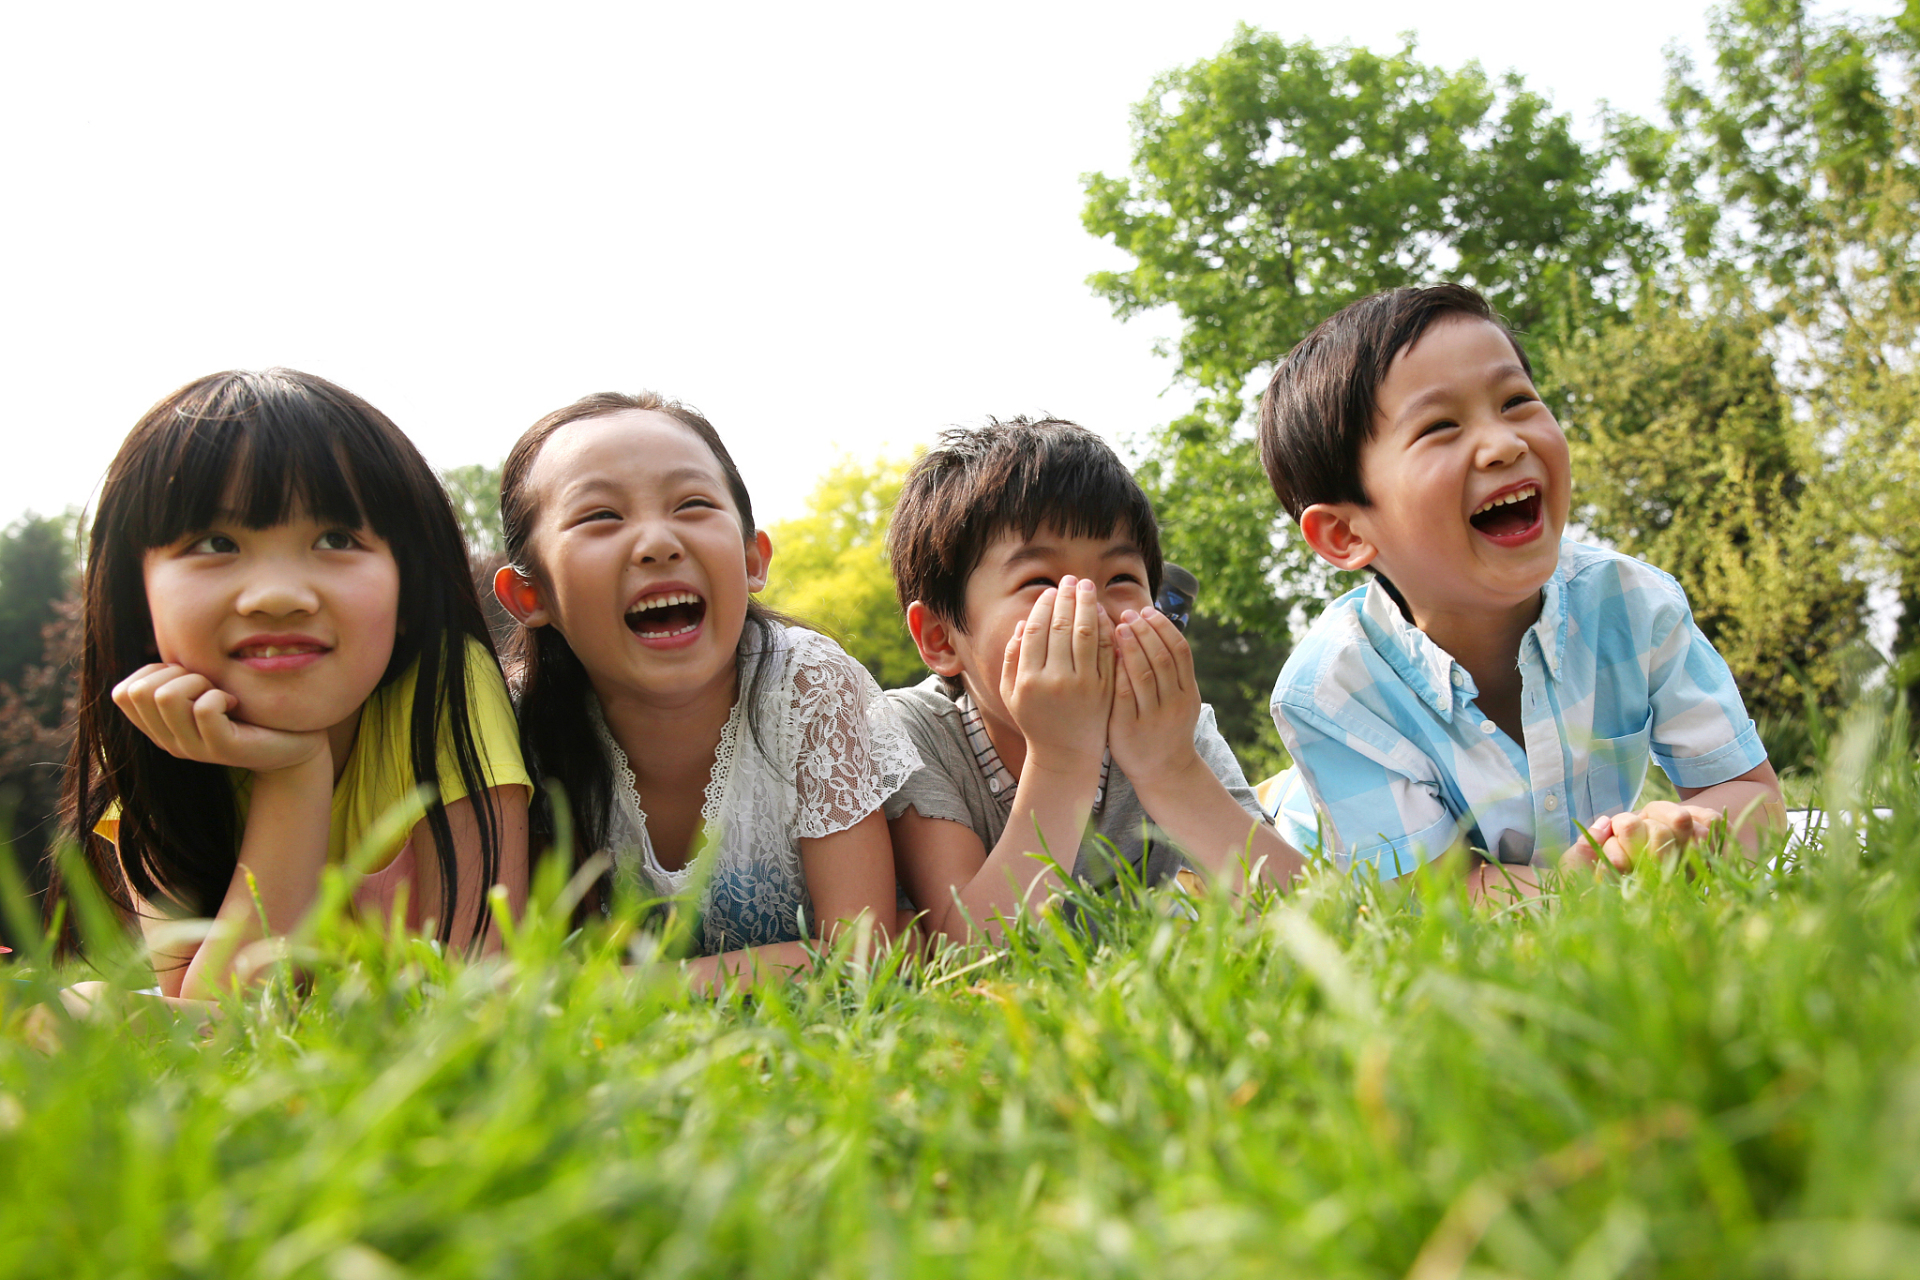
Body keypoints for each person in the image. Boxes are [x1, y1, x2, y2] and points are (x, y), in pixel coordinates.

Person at [1259, 284, 1785, 897]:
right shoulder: (1330, 692)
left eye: (1515, 401)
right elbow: (1430, 898)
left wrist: (1692, 840)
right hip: (1313, 850)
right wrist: (1577, 892)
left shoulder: (1634, 605)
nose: (1506, 443)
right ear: (1346, 533)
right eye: (1440, 426)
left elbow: (1752, 794)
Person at [64, 369, 531, 999]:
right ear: (135, 594)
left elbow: (477, 986)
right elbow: (214, 1022)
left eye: (336, 539)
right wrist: (294, 777)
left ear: (407, 583)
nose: (278, 596)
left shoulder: (443, 687)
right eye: (217, 542)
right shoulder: (158, 737)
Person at [491, 392, 918, 989]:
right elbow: (533, 966)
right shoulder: (519, 721)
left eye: (692, 504)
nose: (658, 542)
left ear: (752, 561)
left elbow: (859, 951)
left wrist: (638, 990)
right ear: (529, 596)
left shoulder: (804, 686)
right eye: (601, 517)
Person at [883, 417, 1302, 942]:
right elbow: (966, 951)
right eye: (1039, 582)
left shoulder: (1170, 726)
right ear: (941, 639)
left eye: (1121, 579)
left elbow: (1310, 916)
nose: (1088, 610)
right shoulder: (913, 733)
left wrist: (1170, 768)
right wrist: (1062, 759)